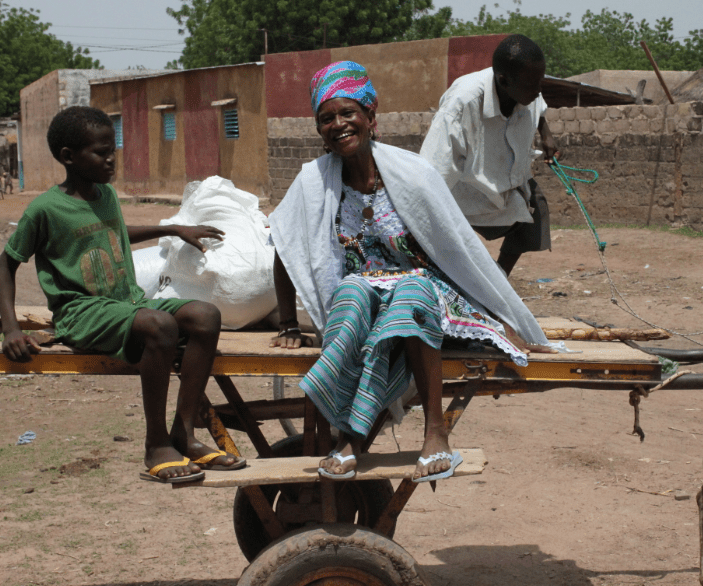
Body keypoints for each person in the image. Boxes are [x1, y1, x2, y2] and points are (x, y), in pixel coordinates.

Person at [270, 61, 553, 483]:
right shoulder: (313, 181)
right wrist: (290, 322)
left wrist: (499, 313)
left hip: (426, 291)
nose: (339, 125)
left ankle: (433, 432)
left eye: (348, 113)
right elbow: (286, 247)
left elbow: (457, 251)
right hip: (362, 295)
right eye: (326, 118)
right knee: (350, 295)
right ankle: (350, 435)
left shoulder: (412, 173)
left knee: (410, 293)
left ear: (370, 116)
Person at [0, 106, 245, 484]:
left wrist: (176, 229)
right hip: (81, 313)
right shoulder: (44, 209)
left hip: (126, 303)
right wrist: (12, 329)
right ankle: (156, 443)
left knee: (205, 316)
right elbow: (6, 263)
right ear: (68, 156)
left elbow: (113, 232)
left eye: (112, 149)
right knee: (160, 325)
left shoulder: (107, 195)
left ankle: (184, 431)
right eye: (101, 152)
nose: (111, 159)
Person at [420, 34, 560, 277]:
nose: (538, 91)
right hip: (464, 187)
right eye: (532, 85)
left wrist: (546, 133)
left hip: (507, 178)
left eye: (541, 82)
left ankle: (499, 279)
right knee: (452, 240)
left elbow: (540, 104)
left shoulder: (528, 88)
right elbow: (433, 171)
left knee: (535, 210)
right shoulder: (462, 103)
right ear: (504, 82)